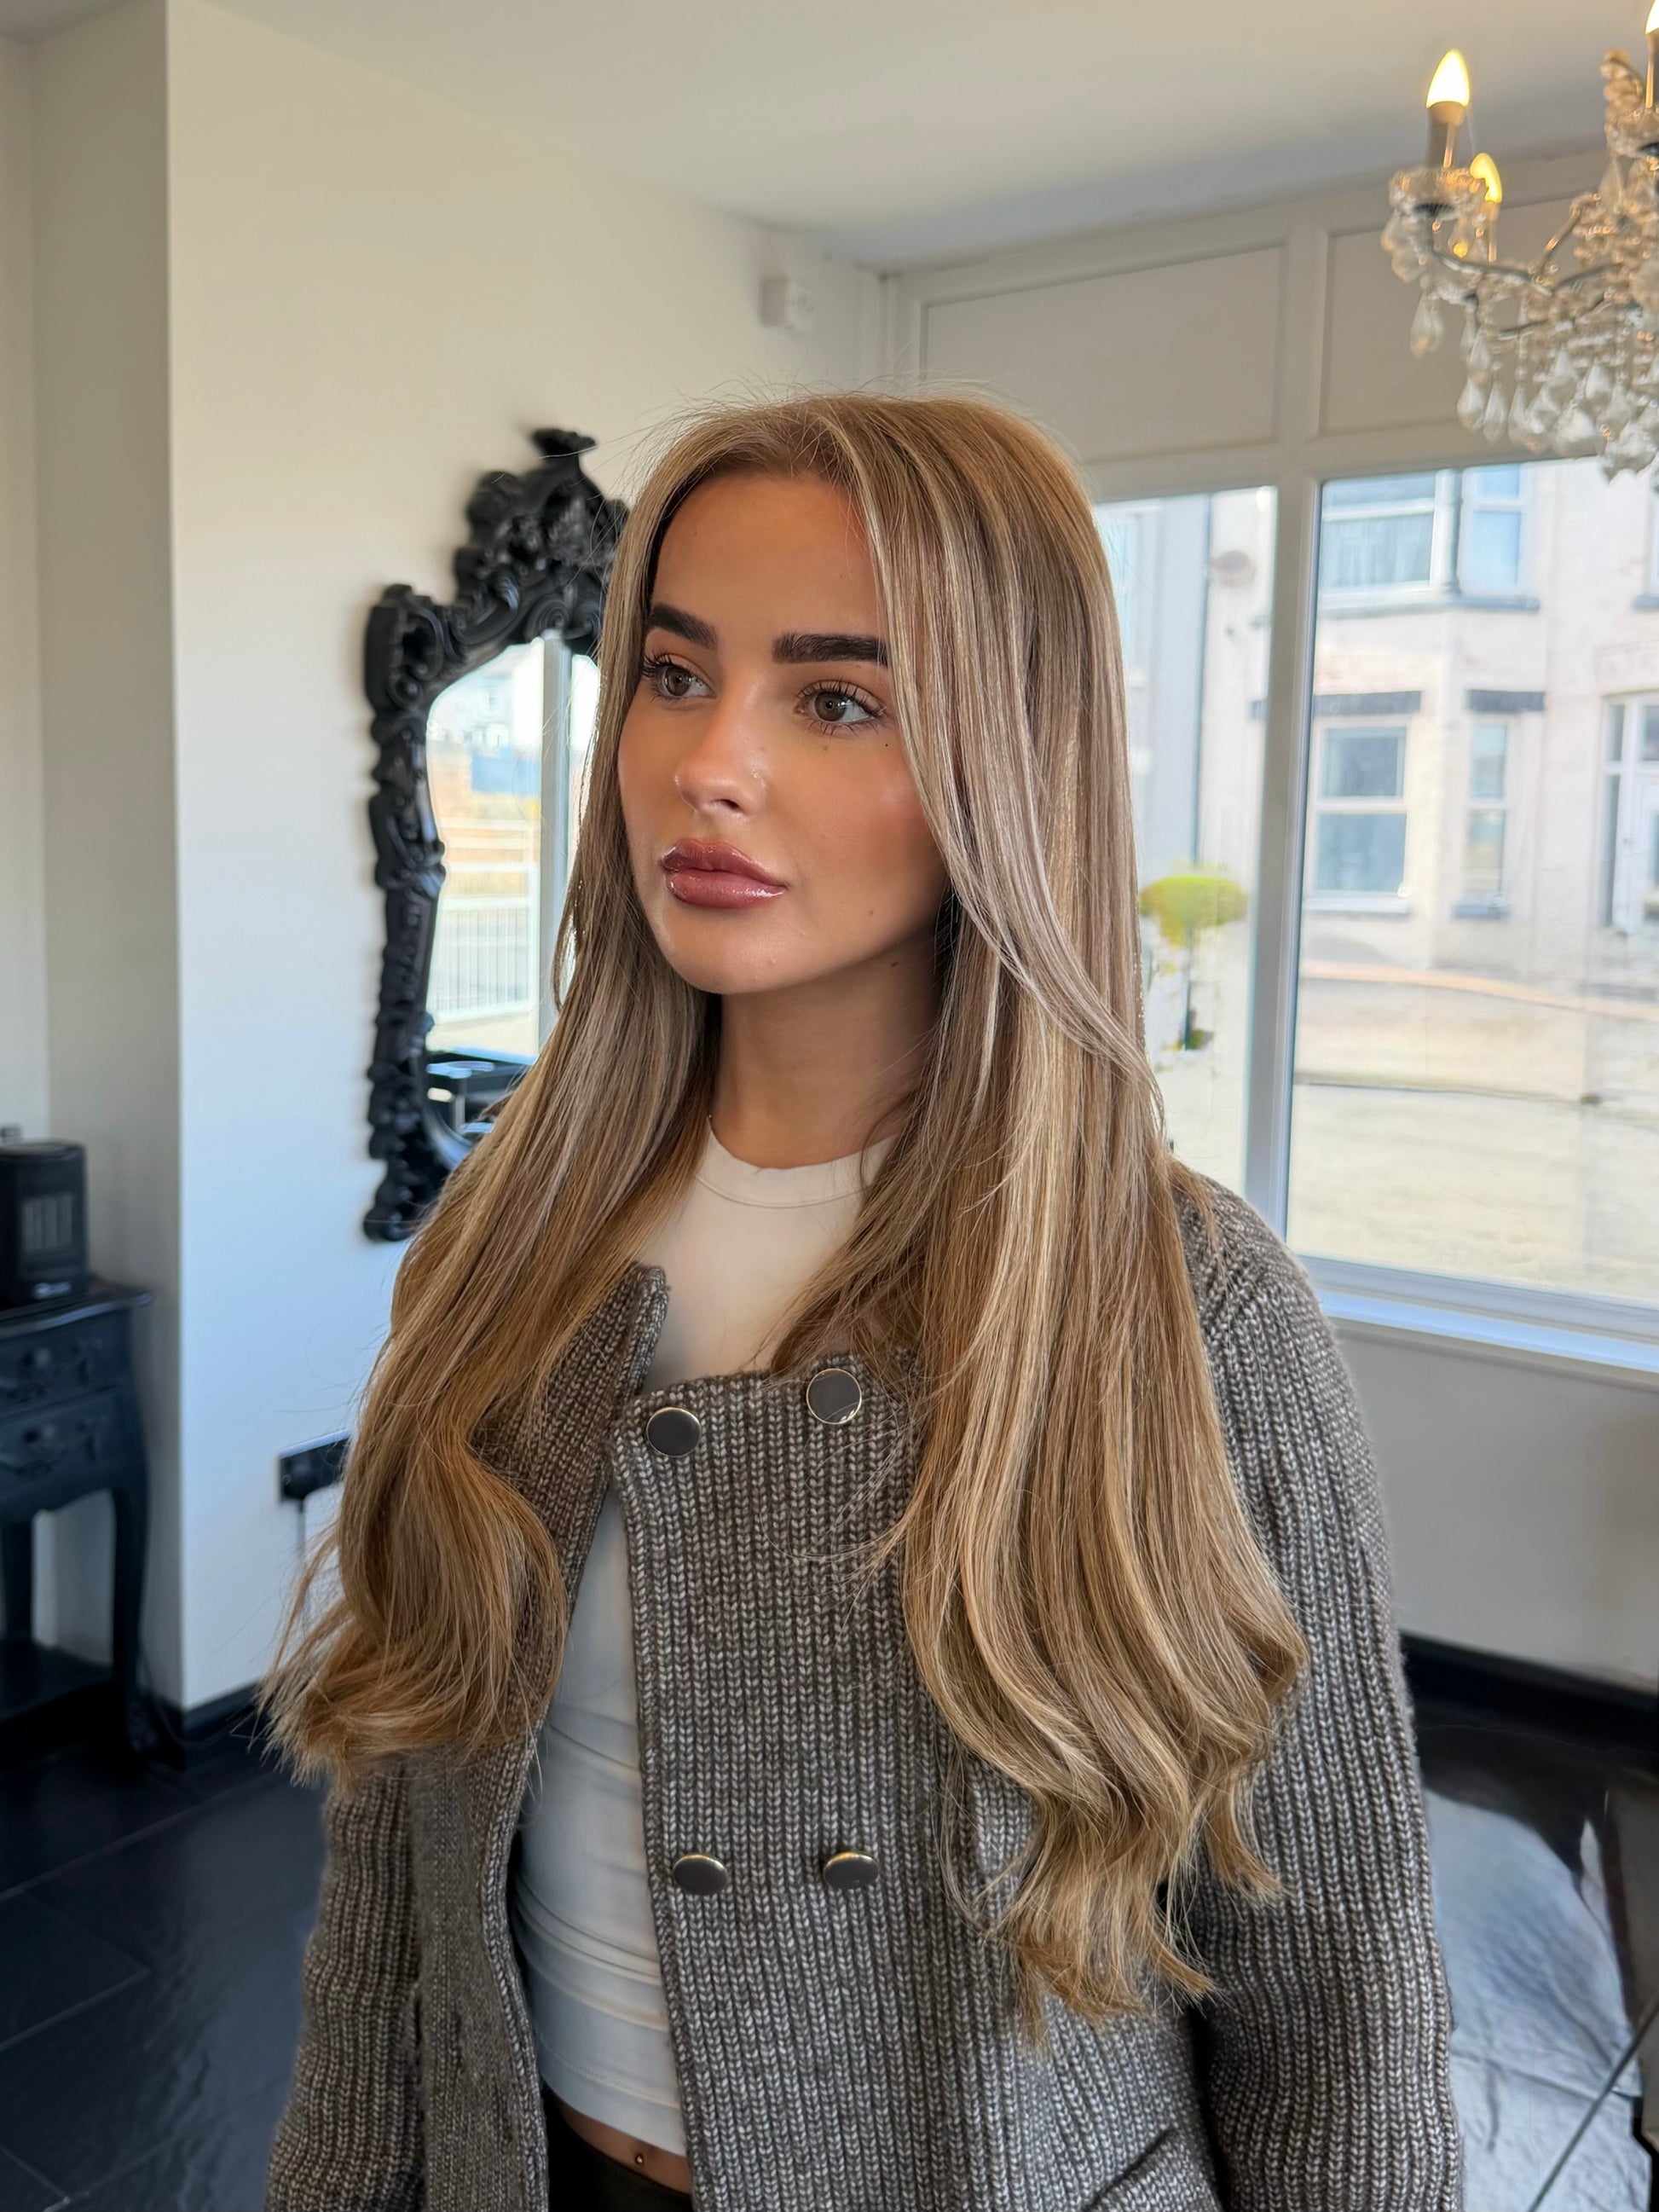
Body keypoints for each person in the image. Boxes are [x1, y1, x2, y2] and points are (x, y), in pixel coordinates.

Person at [261, 391, 1462, 2212]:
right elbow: (392, 1887)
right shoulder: (502, 1243)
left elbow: (1336, 1997)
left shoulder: (1179, 1309)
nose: (708, 763)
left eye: (834, 700)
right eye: (673, 673)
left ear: (1007, 757)